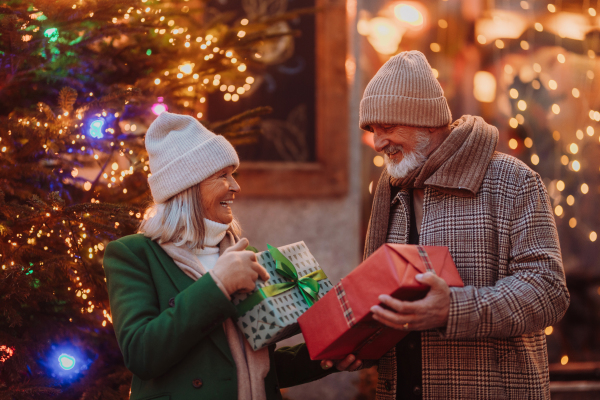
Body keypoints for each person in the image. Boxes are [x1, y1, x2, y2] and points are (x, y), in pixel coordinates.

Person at [103, 112, 360, 400]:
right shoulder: (134, 255)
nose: (236, 186)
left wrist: (326, 357)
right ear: (187, 187)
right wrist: (218, 285)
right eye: (223, 176)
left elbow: (255, 366)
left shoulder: (240, 253)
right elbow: (142, 354)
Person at [360, 51, 570, 399]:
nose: (378, 142)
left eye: (387, 127)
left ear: (426, 121)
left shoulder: (513, 181)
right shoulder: (392, 191)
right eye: (372, 130)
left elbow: (548, 291)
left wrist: (453, 309)